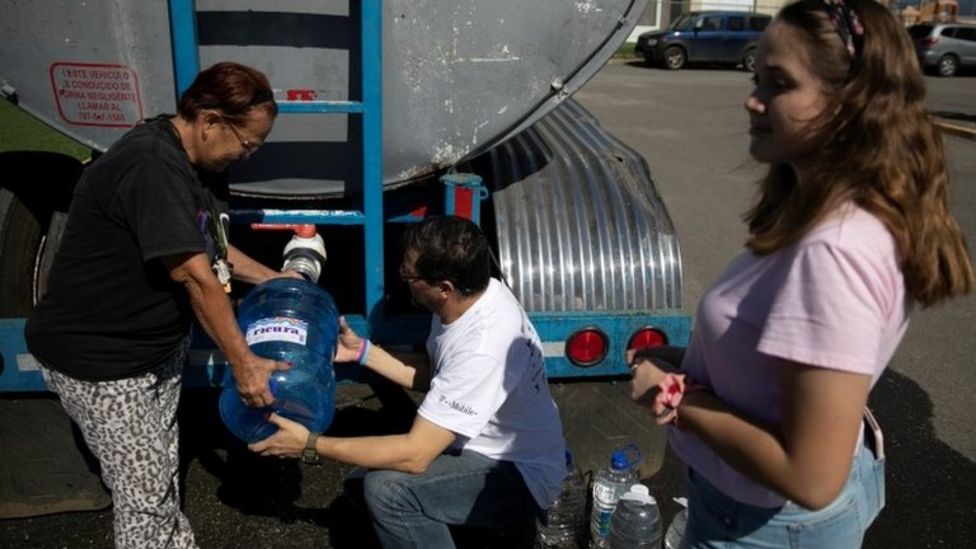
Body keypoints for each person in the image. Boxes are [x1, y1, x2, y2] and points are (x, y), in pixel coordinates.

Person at [628, 1, 974, 547]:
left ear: (849, 105)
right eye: (757, 77)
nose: (753, 99)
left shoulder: (833, 253)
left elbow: (810, 477)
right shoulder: (832, 213)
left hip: (762, 527)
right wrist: (699, 365)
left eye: (779, 84)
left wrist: (674, 398)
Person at [25, 62, 298, 548]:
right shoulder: (151, 165)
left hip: (152, 350)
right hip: (103, 364)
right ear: (211, 121)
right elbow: (195, 276)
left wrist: (275, 279)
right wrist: (245, 364)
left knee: (160, 473)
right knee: (145, 495)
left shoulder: (198, 163)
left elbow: (211, 247)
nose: (248, 155)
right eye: (248, 143)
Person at [250, 215, 567, 548]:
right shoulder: (473, 297)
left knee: (388, 492)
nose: (403, 277)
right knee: (361, 483)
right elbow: (438, 375)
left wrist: (310, 444)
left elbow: (415, 455)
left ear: (444, 288)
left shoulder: (484, 346)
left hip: (519, 477)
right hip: (488, 448)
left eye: (409, 274)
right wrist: (362, 352)